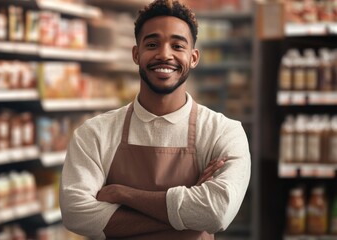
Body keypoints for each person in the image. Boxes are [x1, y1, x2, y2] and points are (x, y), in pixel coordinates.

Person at [59, 0, 251, 239]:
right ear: (136, 54)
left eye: (177, 46)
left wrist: (123, 194)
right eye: (152, 44)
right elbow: (76, 213)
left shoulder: (223, 132)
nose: (164, 54)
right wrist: (189, 217)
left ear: (193, 58)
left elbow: (216, 212)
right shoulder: (95, 133)